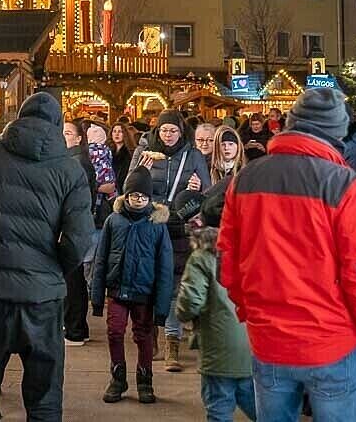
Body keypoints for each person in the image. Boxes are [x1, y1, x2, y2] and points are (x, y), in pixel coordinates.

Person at [219, 88, 356, 422]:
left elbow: (228, 261)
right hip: (332, 340)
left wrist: (250, 312)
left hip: (269, 339)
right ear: (338, 132)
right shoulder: (345, 184)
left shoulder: (246, 178)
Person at [0, 92, 95, 422]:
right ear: (58, 125)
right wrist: (55, 267)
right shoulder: (69, 170)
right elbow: (79, 238)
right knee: (44, 399)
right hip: (42, 299)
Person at [128, 110, 207, 372]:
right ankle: (150, 338)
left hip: (178, 227)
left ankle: (172, 340)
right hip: (150, 225)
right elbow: (128, 186)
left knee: (174, 285)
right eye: (164, 130)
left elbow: (204, 191)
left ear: (181, 131)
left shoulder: (192, 154)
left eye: (173, 130)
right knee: (147, 283)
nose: (168, 135)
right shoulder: (146, 153)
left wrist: (196, 189)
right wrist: (141, 171)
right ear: (157, 132)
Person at [91, 168, 172, 405]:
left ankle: (145, 381)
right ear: (125, 196)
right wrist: (96, 297)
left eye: (143, 196)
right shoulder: (113, 221)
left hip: (143, 293)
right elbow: (101, 259)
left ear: (150, 198)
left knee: (143, 336)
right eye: (133, 195)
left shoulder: (157, 225)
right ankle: (118, 379)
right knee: (115, 331)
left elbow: (165, 268)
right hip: (117, 289)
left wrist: (162, 307)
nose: (138, 200)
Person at [176, 185, 256, 422]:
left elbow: (190, 302)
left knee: (219, 410)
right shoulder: (254, 249)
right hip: (254, 345)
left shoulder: (203, 256)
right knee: (261, 406)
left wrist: (181, 313)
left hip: (218, 348)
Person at [61, 119, 97, 347]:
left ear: (78, 138)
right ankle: (78, 327)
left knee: (72, 279)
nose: (62, 136)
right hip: (77, 224)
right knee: (75, 278)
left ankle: (74, 328)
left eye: (67, 133)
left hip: (72, 226)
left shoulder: (75, 162)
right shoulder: (75, 160)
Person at [110, 122, 136, 193]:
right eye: (114, 131)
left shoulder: (130, 153)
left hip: (124, 188)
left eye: (120, 131)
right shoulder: (108, 151)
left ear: (125, 134)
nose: (116, 134)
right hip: (110, 188)